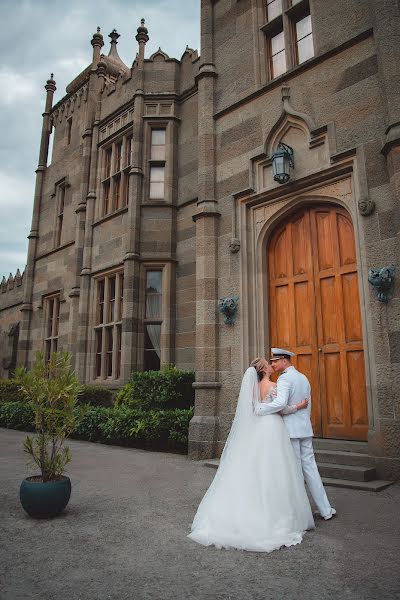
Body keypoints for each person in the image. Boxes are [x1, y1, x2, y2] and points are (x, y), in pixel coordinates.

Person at [188, 358, 315, 552]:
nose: (271, 365)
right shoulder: (274, 385)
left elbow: (254, 410)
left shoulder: (253, 388)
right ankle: (274, 513)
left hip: (259, 430)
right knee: (275, 469)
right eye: (268, 363)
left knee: (257, 467)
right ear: (264, 370)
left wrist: (263, 409)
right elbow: (281, 408)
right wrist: (298, 406)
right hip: (273, 428)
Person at [255, 348, 336, 521]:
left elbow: (280, 404)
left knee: (295, 471)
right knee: (311, 469)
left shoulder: (285, 379)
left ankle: (301, 513)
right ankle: (326, 510)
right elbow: (308, 404)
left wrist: (260, 409)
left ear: (284, 360)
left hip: (291, 431)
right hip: (304, 428)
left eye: (275, 361)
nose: (273, 364)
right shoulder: (303, 377)